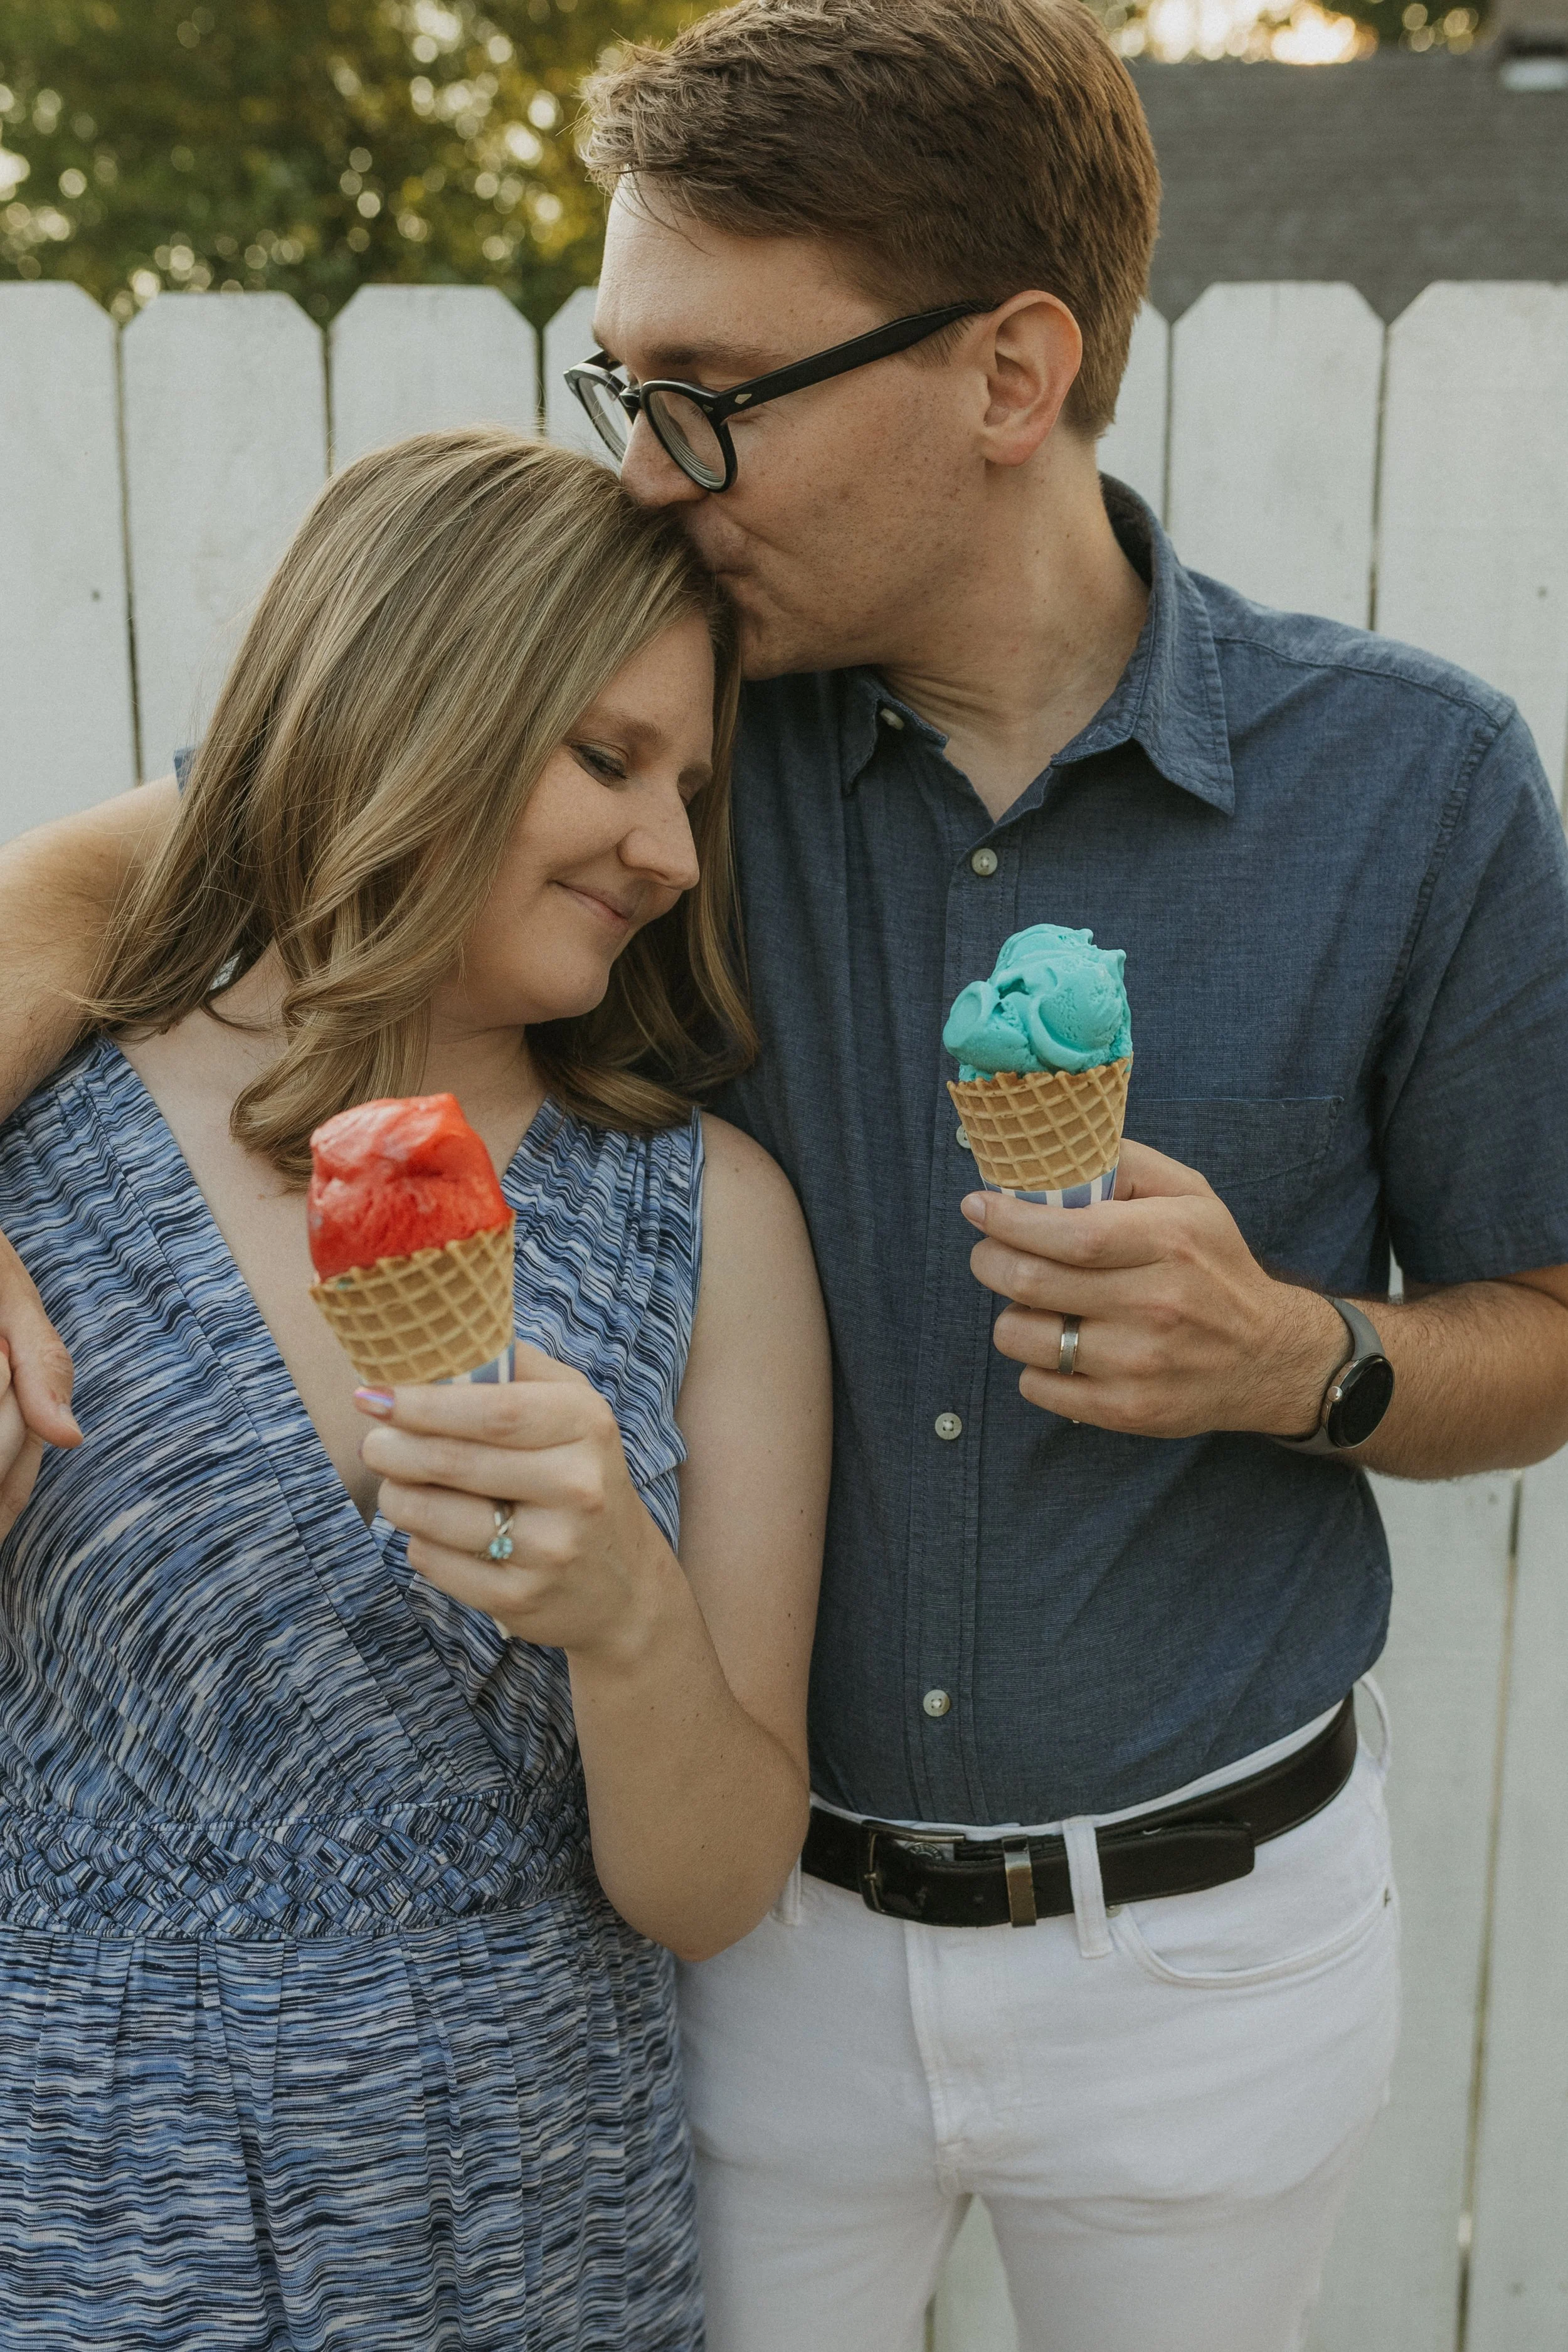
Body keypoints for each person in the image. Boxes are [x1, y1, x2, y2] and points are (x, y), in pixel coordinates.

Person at [4, 4, 1568, 2348]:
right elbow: (146, 893)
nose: (641, 464)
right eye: (611, 375)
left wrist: (1302, 1357)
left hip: (1202, 1941)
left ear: (1009, 372)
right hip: (744, 1960)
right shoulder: (659, 735)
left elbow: (1542, 1317)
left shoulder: (1407, 783)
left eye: (708, 389)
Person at [0, 427, 828, 2348]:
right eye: (608, 758)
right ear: (407, 708)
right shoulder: (40, 1134)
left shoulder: (707, 1218)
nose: (676, 850)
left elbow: (709, 1890)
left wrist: (626, 1615)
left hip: (521, 2215)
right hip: (75, 2193)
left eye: (693, 786)